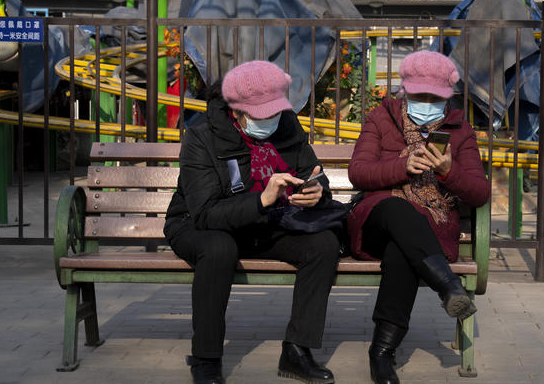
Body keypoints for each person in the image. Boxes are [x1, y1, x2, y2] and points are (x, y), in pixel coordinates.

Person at [164, 60, 340, 384]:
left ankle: (297, 351)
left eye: (275, 111)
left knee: (323, 245)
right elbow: (205, 213)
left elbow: (312, 174)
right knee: (219, 249)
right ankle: (206, 358)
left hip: (269, 223)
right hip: (199, 224)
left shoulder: (288, 125)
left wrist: (317, 193)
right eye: (261, 114)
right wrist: (261, 199)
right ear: (236, 109)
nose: (270, 120)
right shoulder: (202, 138)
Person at [347, 51, 490, 384]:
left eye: (434, 97)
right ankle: (448, 287)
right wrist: (402, 166)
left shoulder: (460, 130)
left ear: (446, 97)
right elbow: (359, 172)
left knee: (403, 250)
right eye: (419, 96)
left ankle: (382, 353)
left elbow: (479, 192)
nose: (426, 102)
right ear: (405, 91)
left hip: (428, 233)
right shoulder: (380, 119)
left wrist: (448, 172)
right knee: (399, 209)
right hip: (376, 223)